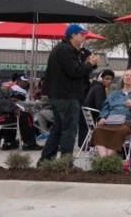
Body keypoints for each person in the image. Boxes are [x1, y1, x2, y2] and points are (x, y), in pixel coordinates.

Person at [38, 24, 99, 165]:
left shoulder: (64, 49)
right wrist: (90, 64)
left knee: (57, 130)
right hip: (66, 96)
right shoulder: (65, 50)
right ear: (73, 35)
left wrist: (89, 64)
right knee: (69, 131)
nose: (84, 37)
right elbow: (75, 72)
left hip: (59, 95)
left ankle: (46, 161)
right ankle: (65, 164)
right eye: (82, 34)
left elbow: (75, 71)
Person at [91, 69, 131, 157]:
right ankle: (104, 158)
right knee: (98, 129)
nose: (128, 77)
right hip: (111, 121)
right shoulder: (114, 93)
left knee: (120, 130)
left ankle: (107, 159)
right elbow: (106, 108)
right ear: (123, 78)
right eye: (126, 75)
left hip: (129, 123)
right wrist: (102, 117)